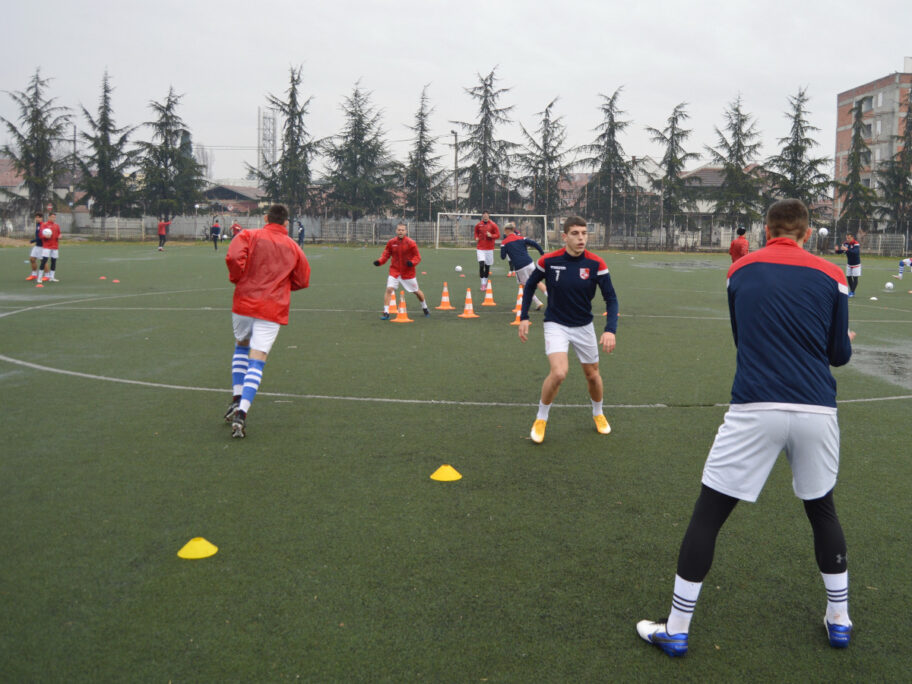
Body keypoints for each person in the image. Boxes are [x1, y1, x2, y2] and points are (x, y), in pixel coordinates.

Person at [636, 199, 856, 658]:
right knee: (822, 510)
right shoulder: (833, 274)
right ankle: (840, 619)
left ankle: (676, 629)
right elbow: (838, 355)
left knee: (710, 512)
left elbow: (743, 338)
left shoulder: (740, 271)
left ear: (765, 229)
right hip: (816, 408)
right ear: (807, 231)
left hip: (755, 405)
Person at [517, 216, 618, 444]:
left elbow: (611, 298)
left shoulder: (596, 264)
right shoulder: (549, 261)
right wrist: (523, 316)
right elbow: (531, 284)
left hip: (584, 326)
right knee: (559, 372)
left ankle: (598, 413)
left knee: (592, 375)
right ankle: (541, 418)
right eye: (575, 233)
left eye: (584, 233)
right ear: (564, 237)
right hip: (556, 324)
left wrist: (610, 329)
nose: (581, 237)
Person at [223, 204, 310, 438]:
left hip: (244, 302)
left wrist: (238, 278)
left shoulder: (249, 235)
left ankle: (236, 397)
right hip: (272, 307)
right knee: (258, 358)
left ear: (265, 217)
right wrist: (281, 286)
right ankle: (242, 412)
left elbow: (232, 257)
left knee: (241, 344)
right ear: (286, 222)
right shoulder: (293, 246)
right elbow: (303, 279)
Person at [373, 222, 430, 319]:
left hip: (408, 273)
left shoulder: (411, 243)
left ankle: (425, 307)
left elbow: (417, 257)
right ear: (396, 231)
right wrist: (379, 261)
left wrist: (412, 263)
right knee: (389, 289)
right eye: (399, 230)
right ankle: (386, 312)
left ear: (406, 231)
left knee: (416, 292)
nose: (400, 232)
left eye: (402, 230)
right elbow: (386, 254)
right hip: (394, 271)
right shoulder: (391, 242)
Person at [500, 221, 546, 310]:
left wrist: (505, 249)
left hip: (520, 267)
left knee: (525, 286)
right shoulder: (521, 238)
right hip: (529, 262)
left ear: (506, 230)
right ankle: (552, 298)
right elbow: (534, 244)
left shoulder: (504, 242)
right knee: (538, 281)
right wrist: (542, 253)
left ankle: (538, 302)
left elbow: (502, 257)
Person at [473, 211, 501, 293]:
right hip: (480, 248)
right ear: (482, 216)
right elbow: (476, 233)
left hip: (489, 249)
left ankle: (485, 281)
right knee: (481, 265)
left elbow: (498, 235)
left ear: (489, 216)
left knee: (487, 266)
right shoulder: (478, 225)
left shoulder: (493, 224)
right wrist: (476, 237)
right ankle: (482, 283)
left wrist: (491, 236)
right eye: (484, 215)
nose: (485, 217)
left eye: (486, 215)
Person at [36, 212, 61, 285]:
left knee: (54, 261)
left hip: (55, 246)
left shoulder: (56, 226)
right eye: (52, 217)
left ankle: (52, 277)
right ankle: (40, 277)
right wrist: (45, 236)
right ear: (49, 217)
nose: (53, 218)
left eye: (54, 217)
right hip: (47, 246)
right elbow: (40, 235)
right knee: (44, 261)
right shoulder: (44, 225)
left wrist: (59, 236)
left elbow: (59, 233)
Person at [835, 233, 860, 297]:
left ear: (852, 237)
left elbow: (855, 252)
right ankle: (852, 291)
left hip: (856, 264)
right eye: (847, 238)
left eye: (849, 238)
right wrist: (837, 251)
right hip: (849, 264)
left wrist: (847, 249)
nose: (847, 239)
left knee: (855, 278)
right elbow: (842, 251)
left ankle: (852, 292)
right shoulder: (845, 243)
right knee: (848, 277)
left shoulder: (856, 243)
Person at [26, 212, 43, 280]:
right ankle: (34, 274)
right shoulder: (38, 225)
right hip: (37, 246)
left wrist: (33, 240)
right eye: (36, 217)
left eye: (38, 217)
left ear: (41, 218)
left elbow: (42, 236)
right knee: (32, 259)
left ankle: (47, 276)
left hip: (42, 246)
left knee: (43, 261)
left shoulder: (42, 225)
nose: (37, 218)